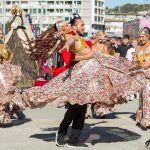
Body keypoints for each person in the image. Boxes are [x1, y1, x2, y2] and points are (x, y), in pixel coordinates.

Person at [22, 20, 143, 148]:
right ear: (70, 28)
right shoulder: (68, 39)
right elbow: (71, 54)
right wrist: (86, 54)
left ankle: (74, 140)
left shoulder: (77, 37)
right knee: (75, 107)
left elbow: (86, 45)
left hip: (87, 75)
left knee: (82, 107)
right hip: (76, 77)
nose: (83, 26)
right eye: (81, 25)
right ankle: (61, 133)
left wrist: (94, 46)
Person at [4, 5, 38, 88]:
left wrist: (19, 27)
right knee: (18, 60)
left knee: (23, 61)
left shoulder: (20, 21)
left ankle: (25, 82)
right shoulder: (17, 20)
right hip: (15, 40)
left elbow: (25, 28)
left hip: (19, 39)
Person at [0, 29, 24, 124]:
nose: (1, 35)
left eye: (2, 33)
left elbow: (12, 53)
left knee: (8, 90)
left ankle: (5, 113)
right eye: (0, 33)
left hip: (5, 69)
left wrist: (9, 60)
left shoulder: (4, 45)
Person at [133, 27, 150, 129]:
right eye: (139, 37)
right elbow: (135, 60)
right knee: (142, 97)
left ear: (148, 37)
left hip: (149, 74)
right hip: (140, 74)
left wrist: (145, 64)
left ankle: (147, 118)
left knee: (147, 95)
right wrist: (136, 65)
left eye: (143, 36)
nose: (141, 39)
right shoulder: (138, 47)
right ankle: (141, 116)